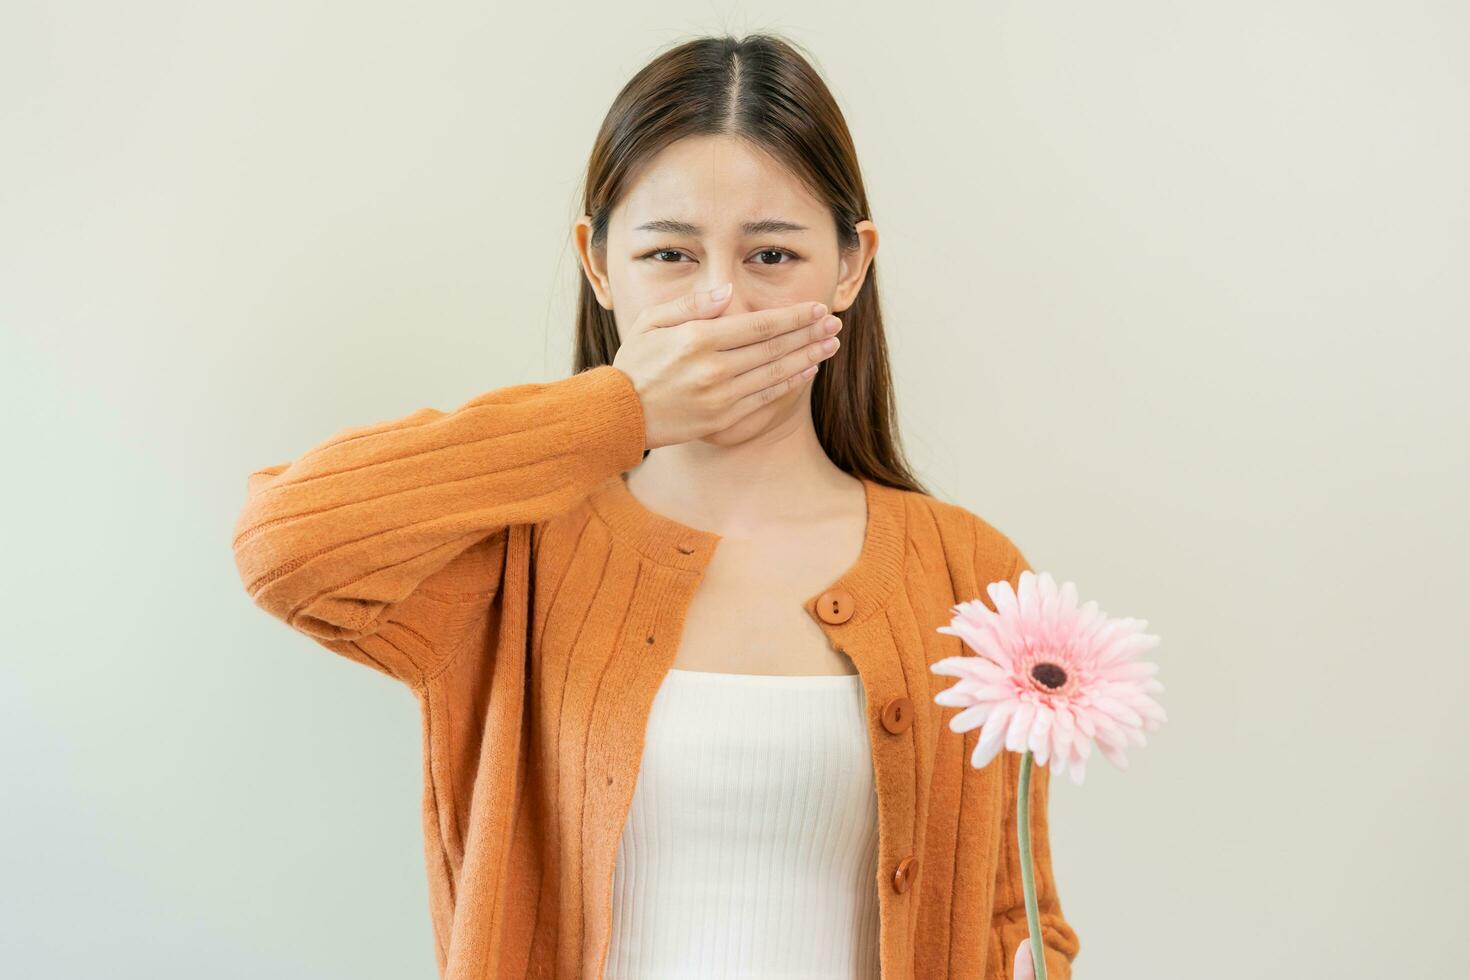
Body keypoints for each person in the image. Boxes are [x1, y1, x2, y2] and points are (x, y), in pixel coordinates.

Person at [231, 32, 1080, 980]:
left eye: (772, 253)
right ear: (598, 265)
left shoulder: (973, 575)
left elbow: (1019, 920)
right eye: (670, 253)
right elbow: (287, 542)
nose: (720, 301)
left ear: (849, 266)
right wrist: (618, 410)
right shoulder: (515, 560)